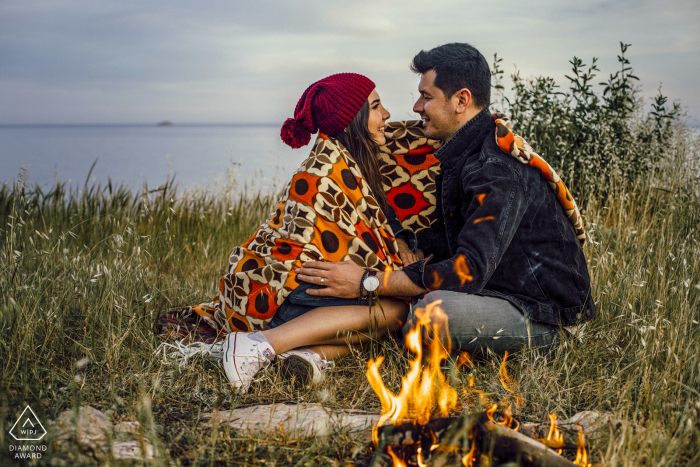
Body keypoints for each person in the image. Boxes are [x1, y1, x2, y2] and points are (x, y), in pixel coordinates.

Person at [297, 43, 595, 356]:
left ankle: (321, 348)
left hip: (547, 317)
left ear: (461, 100)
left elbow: (469, 269)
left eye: (427, 97)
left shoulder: (497, 169)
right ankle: (310, 355)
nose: (416, 107)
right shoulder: (465, 154)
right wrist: (401, 248)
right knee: (405, 296)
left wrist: (369, 281)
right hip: (498, 293)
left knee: (427, 314)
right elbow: (450, 240)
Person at [158, 73, 420, 393]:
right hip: (283, 293)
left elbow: (377, 226)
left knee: (388, 314)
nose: (387, 115)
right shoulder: (324, 172)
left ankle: (308, 357)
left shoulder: (350, 162)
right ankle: (258, 344)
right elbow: (347, 255)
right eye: (377, 107)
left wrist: (402, 242)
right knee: (394, 309)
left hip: (305, 285)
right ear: (352, 118)